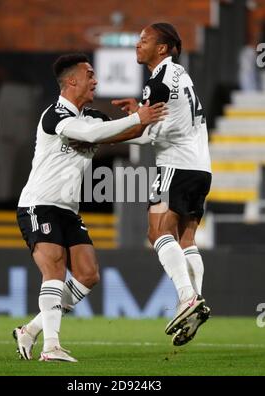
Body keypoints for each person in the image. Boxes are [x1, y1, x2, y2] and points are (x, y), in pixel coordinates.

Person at [13, 53, 166, 362]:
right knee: (54, 269)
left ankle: (29, 330)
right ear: (72, 81)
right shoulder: (54, 115)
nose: (96, 80)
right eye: (90, 75)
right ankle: (51, 347)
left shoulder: (94, 116)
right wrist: (137, 119)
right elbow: (91, 135)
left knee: (88, 274)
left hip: (68, 210)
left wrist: (140, 118)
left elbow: (138, 137)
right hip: (38, 204)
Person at [112, 23, 212, 346]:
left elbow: (143, 130)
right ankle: (195, 300)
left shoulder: (158, 80)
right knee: (186, 238)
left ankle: (187, 298)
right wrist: (139, 114)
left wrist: (103, 136)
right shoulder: (181, 76)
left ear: (163, 48)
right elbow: (156, 118)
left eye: (144, 40)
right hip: (201, 168)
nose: (138, 44)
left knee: (156, 232)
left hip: (176, 166)